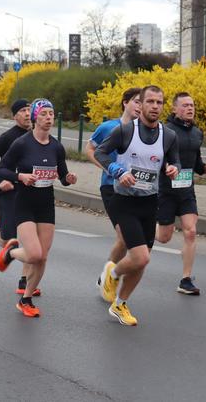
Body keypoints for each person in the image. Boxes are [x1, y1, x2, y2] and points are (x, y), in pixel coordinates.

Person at [95, 85, 180, 326]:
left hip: (149, 202)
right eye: (150, 101)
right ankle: (112, 274)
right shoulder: (124, 131)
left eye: (159, 102)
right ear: (140, 105)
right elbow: (101, 153)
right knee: (141, 258)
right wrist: (116, 170)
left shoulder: (169, 136)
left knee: (141, 262)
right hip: (123, 201)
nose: (155, 106)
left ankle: (120, 304)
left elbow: (175, 163)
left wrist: (173, 169)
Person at [0, 98, 77, 318]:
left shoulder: (56, 146)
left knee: (43, 257)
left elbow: (63, 176)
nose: (49, 118)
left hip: (46, 204)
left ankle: (26, 298)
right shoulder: (22, 143)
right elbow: (1, 169)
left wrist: (69, 178)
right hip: (24, 202)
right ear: (35, 117)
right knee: (33, 254)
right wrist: (19, 176)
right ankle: (11, 252)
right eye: (44, 114)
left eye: (51, 114)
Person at [155, 92, 206, 295]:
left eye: (192, 105)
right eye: (185, 105)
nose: (190, 108)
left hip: (187, 190)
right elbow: (155, 157)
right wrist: (166, 167)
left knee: (190, 231)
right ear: (174, 109)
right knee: (164, 237)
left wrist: (205, 168)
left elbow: (195, 161)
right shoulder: (165, 131)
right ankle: (142, 231)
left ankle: (186, 279)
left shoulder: (197, 133)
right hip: (166, 190)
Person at [85, 87, 142, 289]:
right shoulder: (109, 127)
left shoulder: (144, 131)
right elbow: (90, 148)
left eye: (143, 102)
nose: (140, 106)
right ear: (125, 103)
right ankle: (109, 275)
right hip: (111, 187)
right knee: (125, 236)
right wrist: (106, 167)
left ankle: (109, 272)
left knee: (127, 240)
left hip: (137, 191)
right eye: (136, 101)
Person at [0, 98, 34, 297]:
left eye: (29, 110)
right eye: (23, 111)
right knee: (10, 241)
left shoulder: (37, 136)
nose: (27, 114)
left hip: (30, 195)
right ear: (15, 116)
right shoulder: (8, 137)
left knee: (31, 243)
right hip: (10, 192)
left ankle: (24, 281)